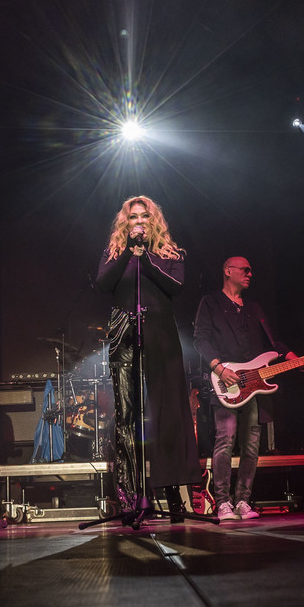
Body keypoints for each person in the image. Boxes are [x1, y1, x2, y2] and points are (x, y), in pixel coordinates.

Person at [94, 196, 199, 522]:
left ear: (153, 220)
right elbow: (103, 283)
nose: (139, 220)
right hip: (124, 335)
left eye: (144, 215)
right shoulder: (115, 252)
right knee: (128, 416)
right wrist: (128, 251)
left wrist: (146, 259)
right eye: (133, 216)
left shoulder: (170, 253)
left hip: (161, 337)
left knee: (167, 415)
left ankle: (174, 496)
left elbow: (175, 286)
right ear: (125, 222)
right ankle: (131, 498)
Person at [194, 256, 296, 521]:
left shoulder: (254, 307)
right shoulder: (211, 302)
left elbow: (271, 342)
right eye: (245, 269)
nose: (250, 274)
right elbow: (200, 339)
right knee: (225, 441)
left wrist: (292, 357)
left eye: (251, 270)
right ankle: (222, 503)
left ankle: (243, 501)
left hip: (254, 386)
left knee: (251, 446)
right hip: (225, 381)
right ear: (228, 271)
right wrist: (219, 368)